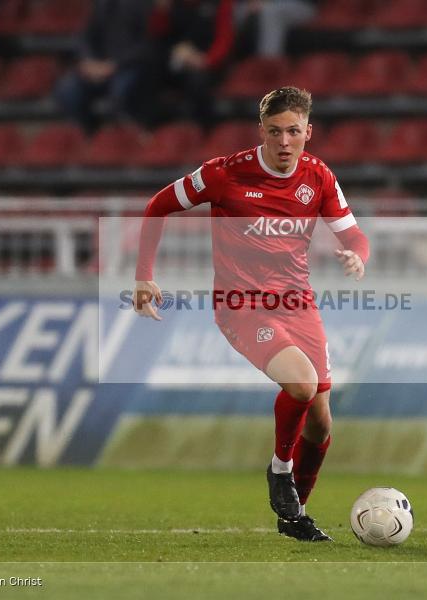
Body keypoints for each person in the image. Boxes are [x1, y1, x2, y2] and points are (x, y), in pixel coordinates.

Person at [132, 87, 370, 542]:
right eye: (276, 132)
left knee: (321, 421)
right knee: (300, 385)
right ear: (261, 131)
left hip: (298, 305)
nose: (285, 142)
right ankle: (280, 469)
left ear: (308, 132)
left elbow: (354, 235)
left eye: (294, 132)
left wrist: (358, 256)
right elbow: (157, 205)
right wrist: (145, 276)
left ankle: (294, 516)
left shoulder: (318, 176)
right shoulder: (223, 174)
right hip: (241, 305)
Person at [54, 0, 156, 129]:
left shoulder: (148, 6)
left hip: (131, 66)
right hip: (98, 67)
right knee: (68, 90)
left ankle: (125, 135)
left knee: (122, 92)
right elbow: (84, 37)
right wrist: (89, 61)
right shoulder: (102, 4)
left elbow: (150, 45)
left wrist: (115, 65)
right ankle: (89, 134)